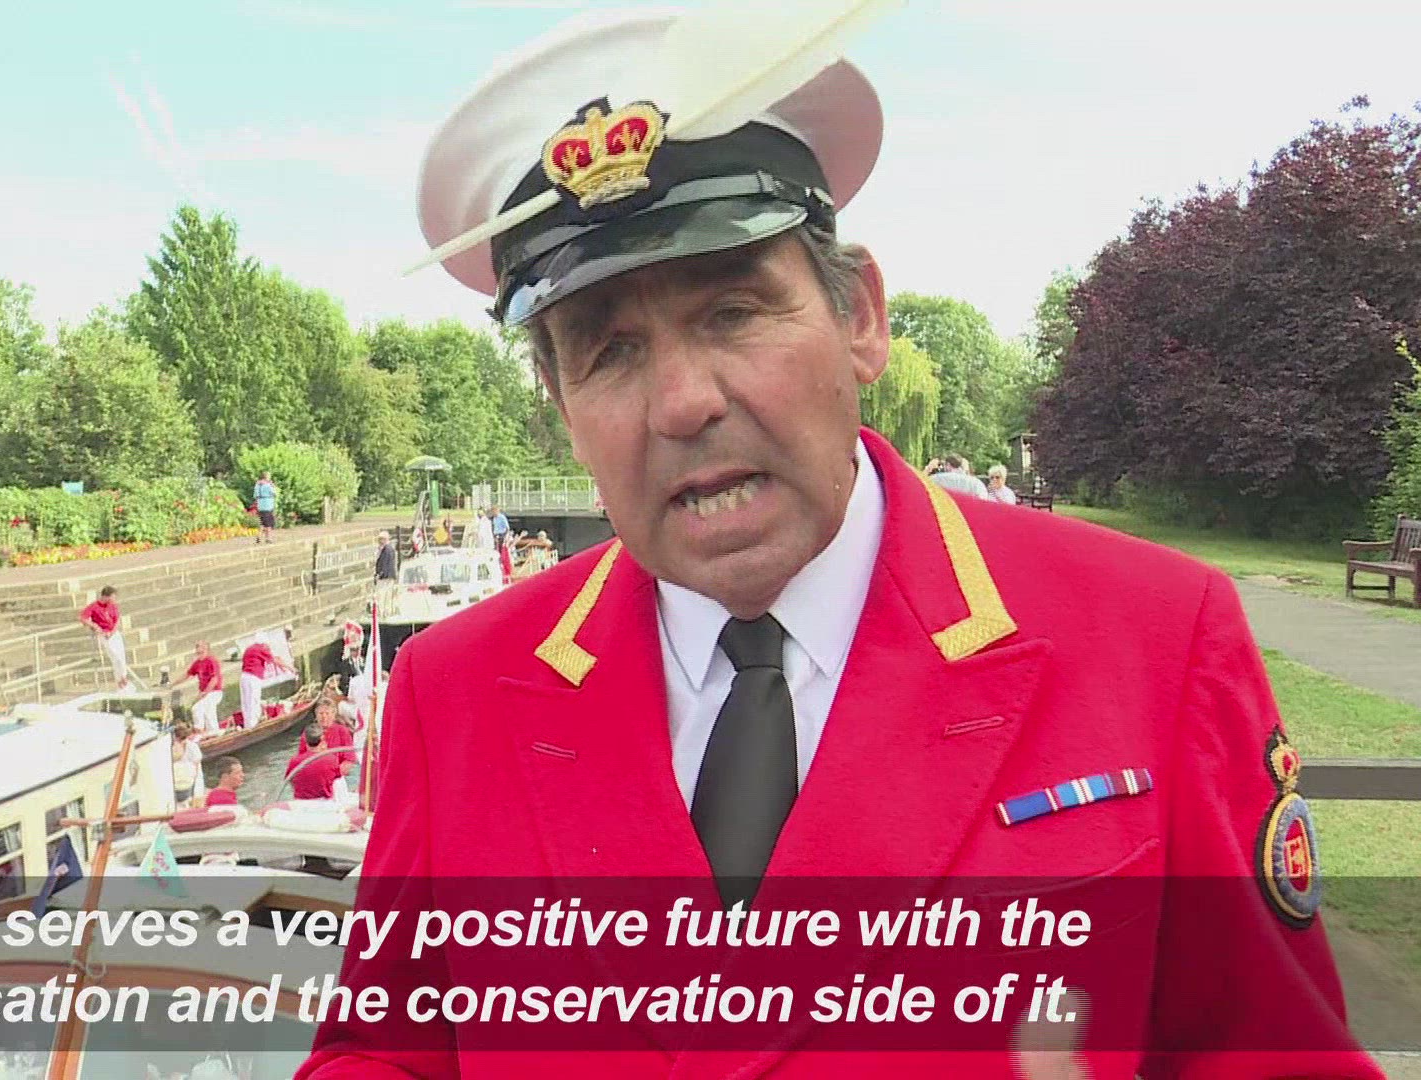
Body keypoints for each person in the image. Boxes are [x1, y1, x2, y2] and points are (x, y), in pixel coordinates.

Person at [300, 8, 1374, 1078]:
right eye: (609, 351)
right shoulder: (456, 693)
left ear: (860, 316)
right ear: (559, 400)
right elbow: (385, 1054)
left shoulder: (1154, 640)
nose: (681, 402)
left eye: (730, 311)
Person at [79, 585, 130, 692]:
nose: (114, 599)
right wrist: (94, 626)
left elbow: (117, 620)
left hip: (114, 633)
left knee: (121, 656)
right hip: (104, 634)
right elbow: (83, 617)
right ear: (106, 596)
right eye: (112, 597)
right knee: (115, 657)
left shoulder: (112, 606)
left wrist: (113, 631)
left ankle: (123, 679)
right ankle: (121, 681)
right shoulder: (94, 606)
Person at [170, 641, 224, 734]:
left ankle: (210, 731)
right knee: (199, 709)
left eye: (201, 652)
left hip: (214, 692)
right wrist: (173, 684)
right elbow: (187, 674)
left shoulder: (212, 661)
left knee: (205, 709)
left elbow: (214, 679)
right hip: (205, 693)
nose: (199, 654)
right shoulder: (198, 663)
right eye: (198, 652)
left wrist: (205, 692)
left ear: (207, 651)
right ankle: (203, 730)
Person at [238, 635, 292, 726]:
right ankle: (252, 725)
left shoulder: (249, 649)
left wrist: (283, 668)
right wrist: (290, 668)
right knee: (253, 701)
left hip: (244, 677)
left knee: (246, 701)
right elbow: (275, 660)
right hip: (253, 677)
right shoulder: (261, 649)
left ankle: (248, 724)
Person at [287, 724, 339, 801]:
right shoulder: (332, 759)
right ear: (322, 739)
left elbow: (290, 780)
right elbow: (335, 779)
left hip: (300, 802)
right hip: (324, 802)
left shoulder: (294, 761)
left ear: (305, 739)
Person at [169, 723, 203, 807]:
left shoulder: (192, 747)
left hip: (190, 776)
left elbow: (197, 768)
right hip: (178, 778)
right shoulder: (171, 746)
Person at [253, 471, 279, 544]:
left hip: (260, 505)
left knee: (263, 522)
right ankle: (268, 538)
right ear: (267, 477)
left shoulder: (257, 485)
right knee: (268, 523)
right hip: (268, 505)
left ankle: (259, 536)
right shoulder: (268, 485)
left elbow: (255, 495)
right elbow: (274, 493)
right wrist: (273, 486)